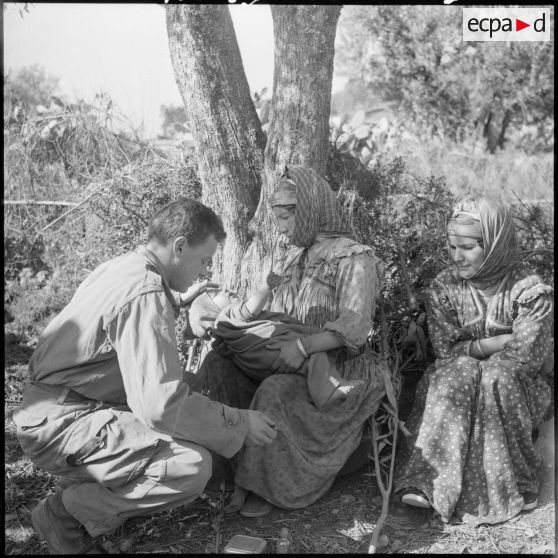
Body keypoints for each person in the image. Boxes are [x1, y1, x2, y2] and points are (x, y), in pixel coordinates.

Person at [13, 198, 277, 554]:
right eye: (203, 261)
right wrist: (239, 422)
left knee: (190, 394)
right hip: (62, 423)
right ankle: (65, 513)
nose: (203, 273)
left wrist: (178, 302)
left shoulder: (124, 267)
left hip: (53, 408)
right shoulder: (145, 293)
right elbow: (159, 406)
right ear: (179, 246)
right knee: (190, 466)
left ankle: (86, 490)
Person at [191, 164, 389, 518]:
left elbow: (356, 326)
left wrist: (303, 347)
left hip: (335, 367)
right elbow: (273, 313)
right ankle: (219, 469)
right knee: (217, 366)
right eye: (277, 218)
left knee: (275, 392)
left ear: (310, 208)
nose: (281, 228)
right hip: (285, 353)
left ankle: (265, 484)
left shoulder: (353, 257)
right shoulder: (293, 257)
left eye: (286, 217)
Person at [395, 194, 553, 526]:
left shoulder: (528, 288)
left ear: (494, 242)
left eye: (468, 247)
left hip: (515, 388)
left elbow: (524, 357)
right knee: (459, 371)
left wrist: (473, 351)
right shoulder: (444, 287)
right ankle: (428, 482)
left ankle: (517, 483)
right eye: (452, 247)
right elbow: (444, 348)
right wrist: (496, 341)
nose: (458, 257)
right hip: (461, 380)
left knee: (496, 376)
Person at [187, 272, 365, 409]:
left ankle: (328, 387)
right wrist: (265, 287)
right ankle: (327, 391)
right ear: (210, 311)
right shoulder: (227, 318)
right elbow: (250, 308)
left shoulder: (226, 338)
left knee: (309, 363)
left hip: (263, 363)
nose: (226, 290)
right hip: (275, 351)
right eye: (217, 292)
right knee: (315, 349)